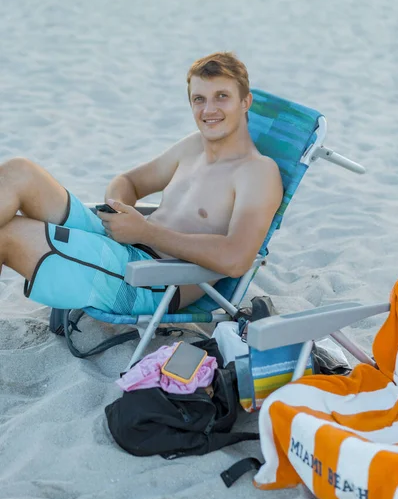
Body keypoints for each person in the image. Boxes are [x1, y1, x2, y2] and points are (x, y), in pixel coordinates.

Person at [0, 52, 283, 316]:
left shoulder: (257, 172)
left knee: (7, 235)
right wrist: (120, 211)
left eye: (222, 97)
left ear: (245, 102)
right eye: (199, 99)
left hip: (151, 281)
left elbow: (237, 259)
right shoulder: (194, 146)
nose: (209, 110)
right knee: (19, 171)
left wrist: (146, 232)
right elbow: (129, 181)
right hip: (124, 243)